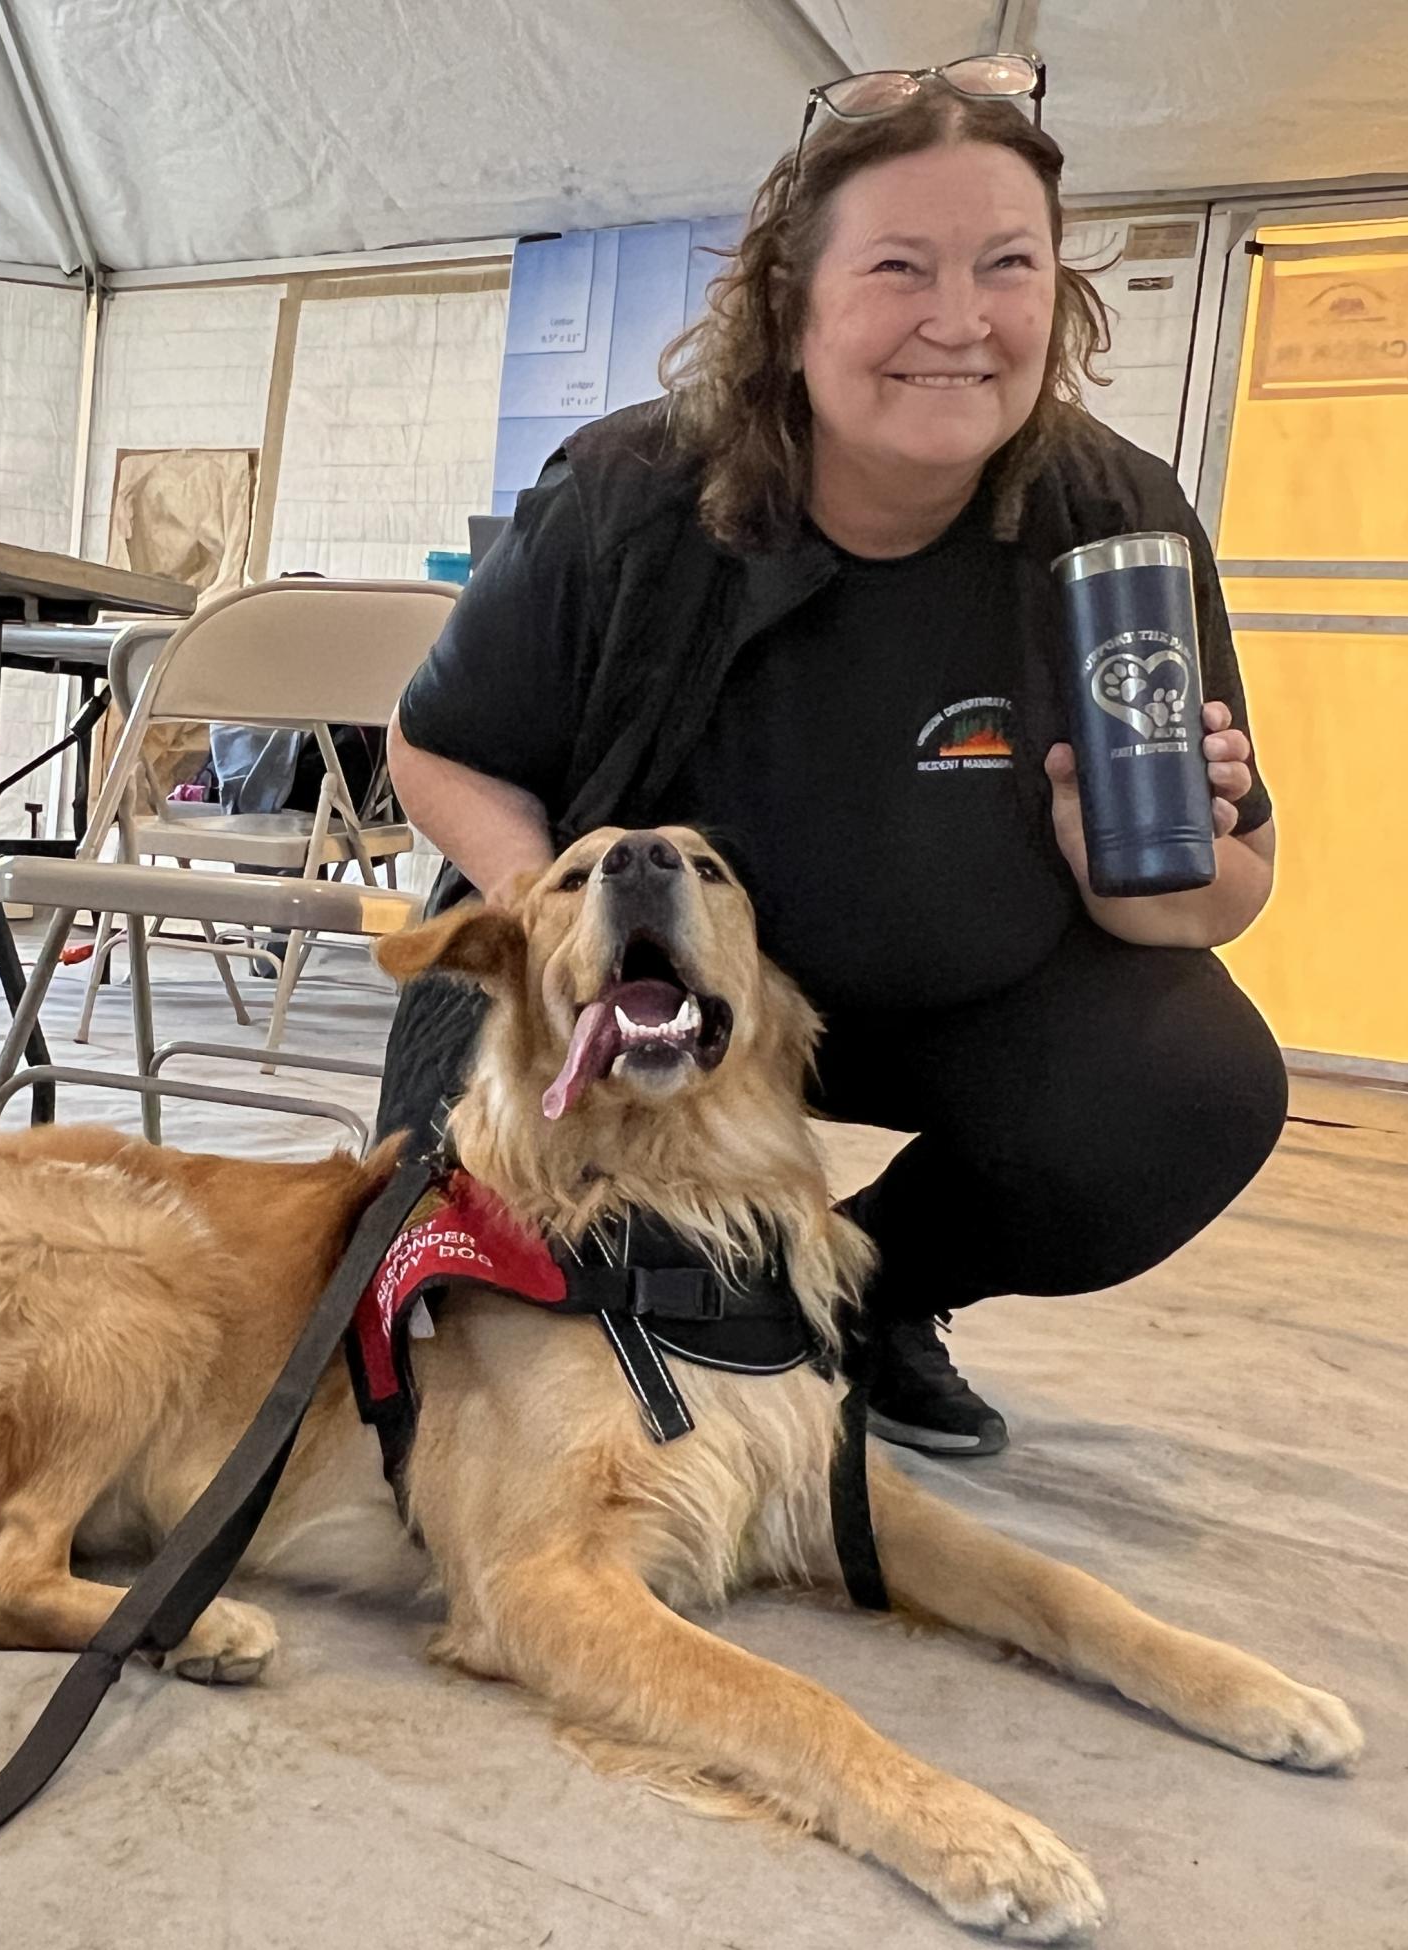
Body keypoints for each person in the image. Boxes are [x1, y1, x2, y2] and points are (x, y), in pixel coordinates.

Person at [378, 64, 1284, 1458]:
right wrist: (540, 924)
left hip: (942, 1002)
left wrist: (1133, 871)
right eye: (899, 268)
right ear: (792, 303)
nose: (960, 321)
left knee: (1194, 1079)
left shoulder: (1112, 520)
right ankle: (670, 1286)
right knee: (454, 1303)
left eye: (1007, 266)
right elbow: (436, 748)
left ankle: (852, 1299)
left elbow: (1227, 889)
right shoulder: (627, 496)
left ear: (1061, 296)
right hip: (627, 986)